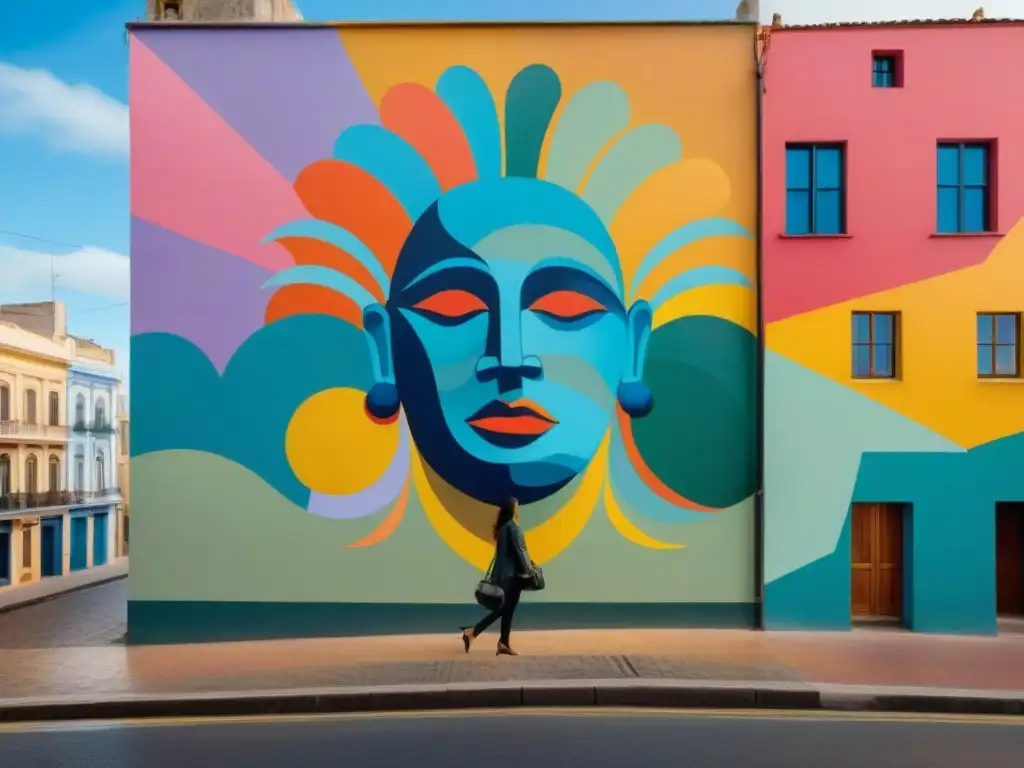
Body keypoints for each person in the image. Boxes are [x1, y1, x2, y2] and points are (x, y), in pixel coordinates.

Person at [462, 497, 533, 656]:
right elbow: (520, 552)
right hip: (513, 576)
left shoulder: (503, 528)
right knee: (505, 608)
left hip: (505, 575)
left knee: (507, 609)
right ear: (513, 509)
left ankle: (503, 643)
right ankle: (473, 632)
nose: (518, 509)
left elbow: (504, 555)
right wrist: (528, 571)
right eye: (517, 506)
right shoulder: (513, 528)